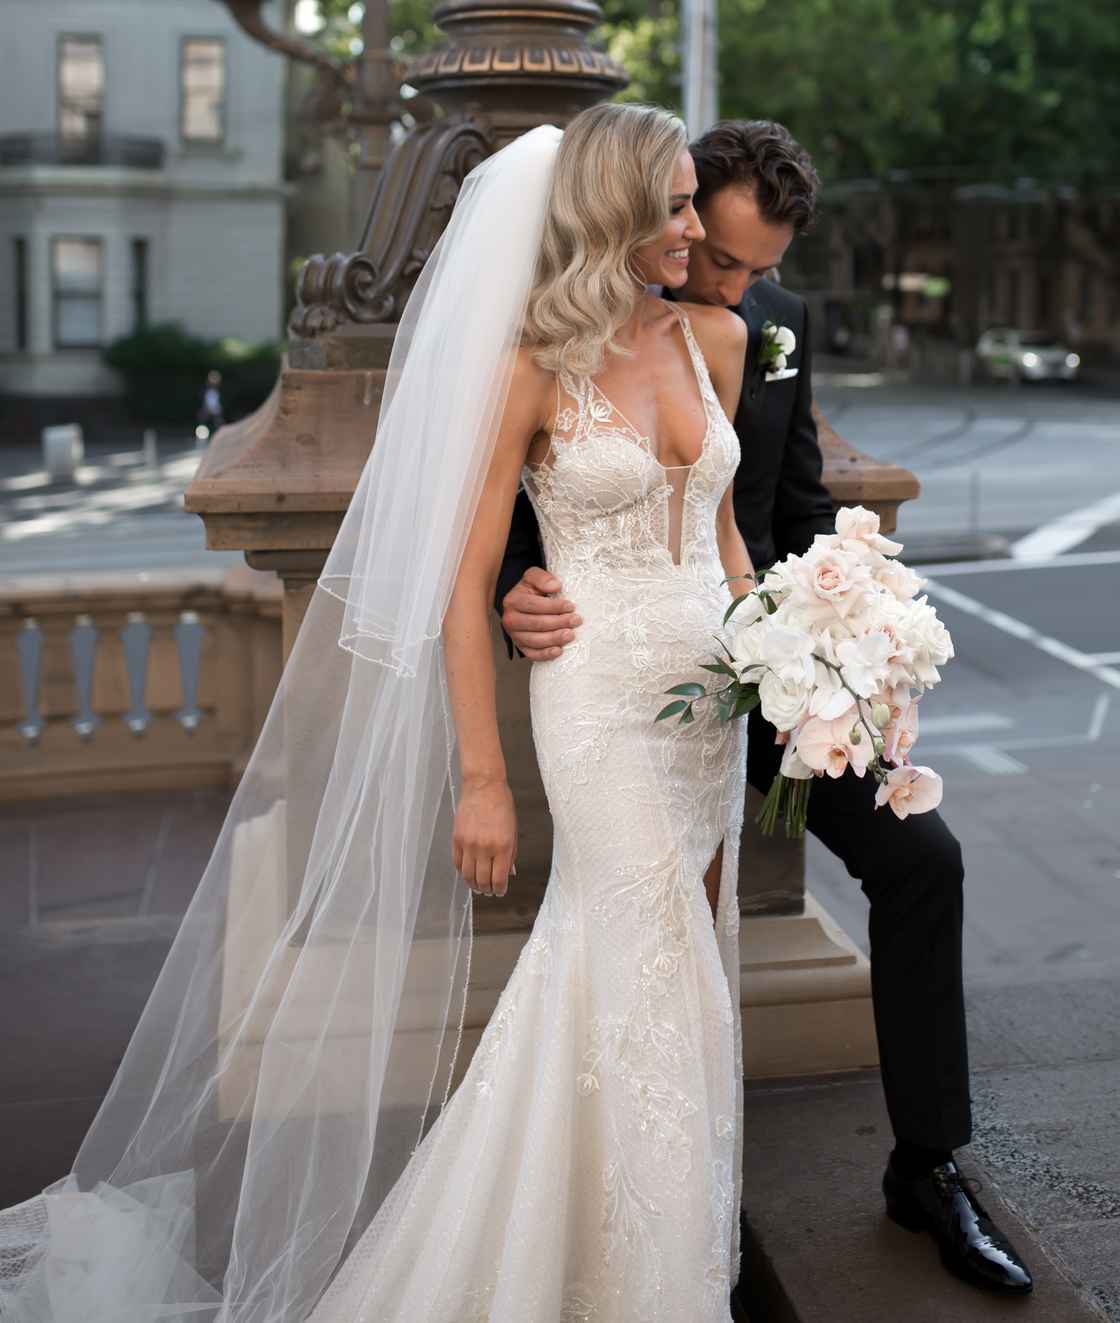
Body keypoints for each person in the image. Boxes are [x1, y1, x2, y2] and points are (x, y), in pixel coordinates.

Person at [0, 106, 751, 1323]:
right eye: (671, 203)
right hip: (602, 709)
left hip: (712, 714)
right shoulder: (531, 365)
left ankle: (626, 1252)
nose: (691, 224)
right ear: (613, 210)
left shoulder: (711, 343)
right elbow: (461, 586)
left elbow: (726, 537)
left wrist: (803, 654)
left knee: (670, 975)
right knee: (642, 961)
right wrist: (483, 776)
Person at [497, 118, 1035, 1297]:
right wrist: (513, 593)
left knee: (921, 858)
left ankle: (928, 1166)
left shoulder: (766, 331)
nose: (729, 281)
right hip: (628, 682)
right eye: (718, 255)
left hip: (768, 667)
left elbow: (786, 501)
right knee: (660, 942)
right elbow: (532, 496)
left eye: (754, 269)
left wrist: (842, 652)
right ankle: (674, 1215)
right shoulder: (585, 321)